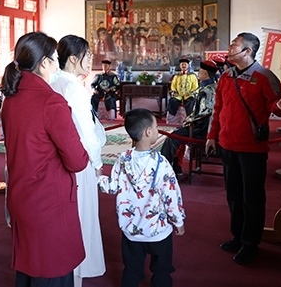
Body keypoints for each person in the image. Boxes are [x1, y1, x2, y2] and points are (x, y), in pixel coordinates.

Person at [1, 32, 89, 287]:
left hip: (21, 195)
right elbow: (77, 161)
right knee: (52, 270)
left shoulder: (11, 99)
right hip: (49, 201)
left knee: (29, 268)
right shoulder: (51, 101)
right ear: (43, 64)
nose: (56, 65)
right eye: (53, 59)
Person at [205, 32, 281, 265]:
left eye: (234, 45)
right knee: (234, 195)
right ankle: (237, 236)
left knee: (252, 197)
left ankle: (250, 243)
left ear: (247, 51)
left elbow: (276, 107)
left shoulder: (264, 77)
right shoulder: (226, 76)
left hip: (252, 149)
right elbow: (218, 109)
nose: (229, 48)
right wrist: (212, 136)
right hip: (227, 145)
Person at [98, 108, 186, 287]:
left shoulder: (122, 159)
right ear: (148, 132)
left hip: (131, 231)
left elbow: (112, 187)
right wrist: (178, 221)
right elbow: (171, 196)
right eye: (156, 127)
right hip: (158, 232)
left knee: (131, 271)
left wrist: (99, 177)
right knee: (162, 271)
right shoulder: (161, 163)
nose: (157, 130)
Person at [50, 35, 106, 287]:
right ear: (73, 59)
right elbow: (86, 132)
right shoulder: (73, 87)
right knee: (82, 217)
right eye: (87, 55)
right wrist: (97, 164)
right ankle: (75, 274)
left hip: (59, 161)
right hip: (79, 161)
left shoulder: (55, 81)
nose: (91, 59)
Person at [159, 60, 219, 175]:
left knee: (172, 137)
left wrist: (188, 120)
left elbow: (204, 113)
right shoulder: (213, 86)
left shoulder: (207, 91)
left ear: (205, 74)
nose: (198, 73)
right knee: (179, 132)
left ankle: (162, 168)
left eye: (200, 71)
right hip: (205, 126)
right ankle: (177, 167)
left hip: (202, 128)